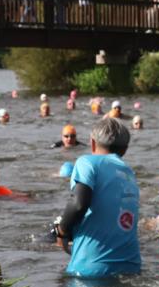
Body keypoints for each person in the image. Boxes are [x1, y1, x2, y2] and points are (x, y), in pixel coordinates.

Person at [54, 117, 141, 278]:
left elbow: (79, 203)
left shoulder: (87, 162)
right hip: (132, 266)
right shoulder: (129, 173)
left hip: (92, 269)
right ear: (125, 149)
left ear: (92, 143)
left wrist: (62, 231)